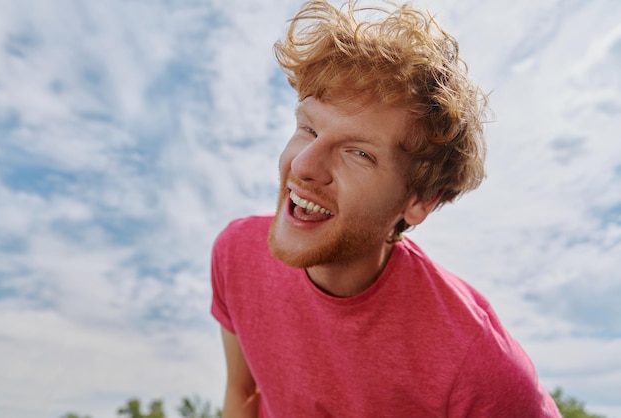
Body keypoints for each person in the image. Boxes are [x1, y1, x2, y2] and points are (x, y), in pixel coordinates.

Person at [211, 0, 561, 416]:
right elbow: (243, 394)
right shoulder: (236, 253)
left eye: (358, 153)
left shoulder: (481, 368)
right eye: (308, 128)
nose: (302, 166)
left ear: (419, 202)